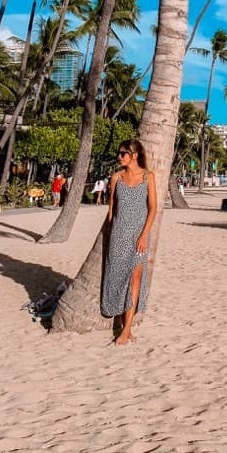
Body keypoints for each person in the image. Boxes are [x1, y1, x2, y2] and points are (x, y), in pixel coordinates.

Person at [101, 139, 157, 346]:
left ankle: (126, 329)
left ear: (134, 155)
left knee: (135, 278)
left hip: (139, 236)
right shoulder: (116, 177)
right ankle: (121, 322)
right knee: (117, 278)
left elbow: (153, 208)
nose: (119, 156)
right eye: (119, 152)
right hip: (118, 235)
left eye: (123, 153)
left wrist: (143, 235)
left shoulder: (148, 177)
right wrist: (109, 234)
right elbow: (111, 210)